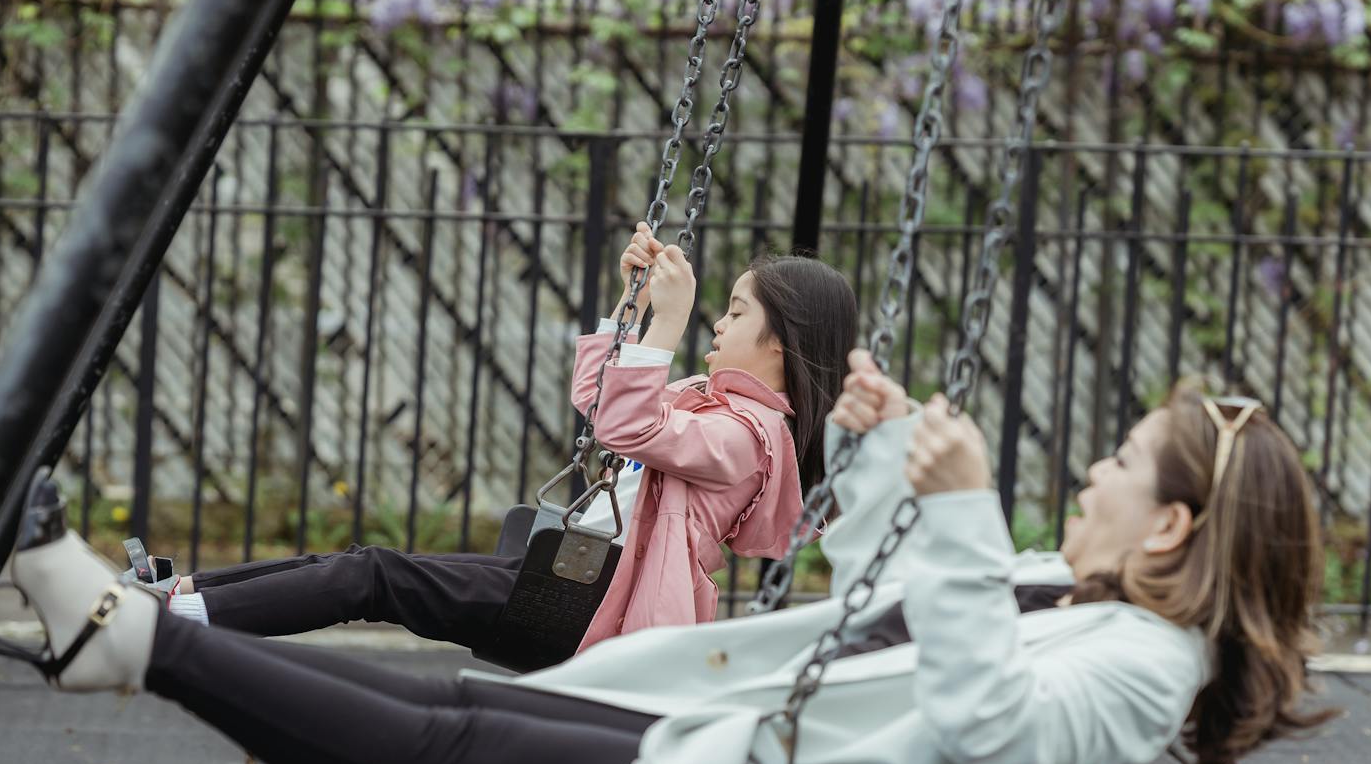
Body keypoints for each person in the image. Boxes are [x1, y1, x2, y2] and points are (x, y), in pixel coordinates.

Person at [0, 350, 1333, 764]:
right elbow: (882, 597)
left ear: (1170, 523)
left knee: (446, 747)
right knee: (456, 716)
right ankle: (130, 639)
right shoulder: (1072, 587)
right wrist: (876, 457)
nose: (1092, 470)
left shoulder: (1147, 671)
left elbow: (991, 722)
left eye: (1119, 460)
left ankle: (138, 641)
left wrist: (969, 505)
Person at [148, 226, 858, 663]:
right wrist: (632, 307)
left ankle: (179, 616)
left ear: (782, 343)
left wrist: (667, 326)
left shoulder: (750, 439)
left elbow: (627, 426)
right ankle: (184, 594)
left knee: (375, 576)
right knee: (363, 569)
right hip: (573, 581)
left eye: (735, 312)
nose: (717, 325)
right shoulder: (715, 408)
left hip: (594, 603)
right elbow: (597, 400)